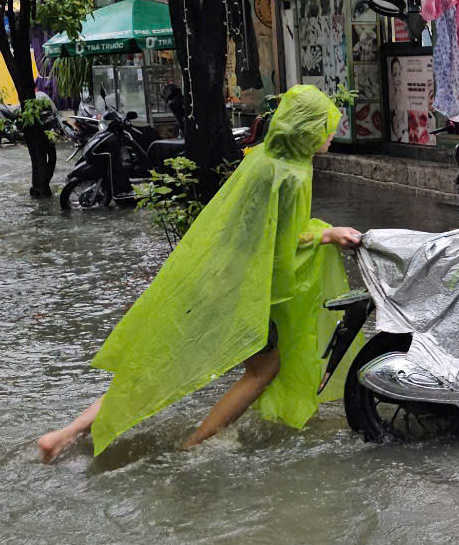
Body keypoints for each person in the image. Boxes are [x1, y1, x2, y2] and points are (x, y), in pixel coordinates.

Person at [37, 85, 364, 463]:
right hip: (242, 289)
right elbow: (281, 244)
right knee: (265, 368)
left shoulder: (261, 159)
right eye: (325, 126)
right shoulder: (291, 174)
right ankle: (195, 445)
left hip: (214, 278)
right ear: (306, 130)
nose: (330, 135)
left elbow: (251, 230)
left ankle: (63, 435)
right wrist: (327, 234)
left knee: (160, 365)